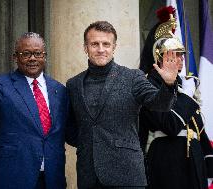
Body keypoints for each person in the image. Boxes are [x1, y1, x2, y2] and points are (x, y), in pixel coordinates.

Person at [66, 20, 180, 189]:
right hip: (88, 175)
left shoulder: (133, 77)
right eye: (94, 44)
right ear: (85, 48)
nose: (100, 49)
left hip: (127, 175)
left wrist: (169, 85)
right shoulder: (73, 84)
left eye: (106, 44)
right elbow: (71, 128)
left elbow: (159, 104)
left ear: (114, 47)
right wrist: (90, 144)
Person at [0, 32, 69, 189]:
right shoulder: (3, 84)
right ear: (15, 57)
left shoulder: (59, 90)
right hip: (14, 175)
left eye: (37, 53)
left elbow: (68, 130)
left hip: (51, 178)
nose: (32, 58)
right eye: (26, 53)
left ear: (44, 56)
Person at [138, 6, 213, 189]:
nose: (180, 60)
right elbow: (170, 125)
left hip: (193, 164)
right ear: (159, 57)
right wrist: (186, 96)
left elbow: (198, 130)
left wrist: (209, 164)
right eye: (173, 55)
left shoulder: (184, 86)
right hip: (167, 162)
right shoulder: (147, 85)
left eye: (181, 55)